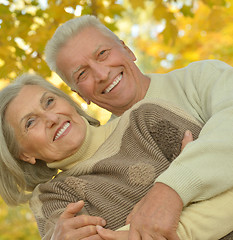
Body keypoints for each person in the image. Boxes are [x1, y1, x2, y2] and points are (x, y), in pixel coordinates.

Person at [44, 15, 233, 240]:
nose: (102, 74)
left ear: (128, 50)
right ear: (80, 95)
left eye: (102, 54)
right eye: (82, 74)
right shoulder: (102, 163)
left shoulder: (200, 77)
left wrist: (170, 189)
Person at [0, 73, 233, 240]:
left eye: (49, 102)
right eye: (30, 122)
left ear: (68, 102)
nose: (51, 118)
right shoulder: (54, 198)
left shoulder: (147, 119)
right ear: (24, 154)